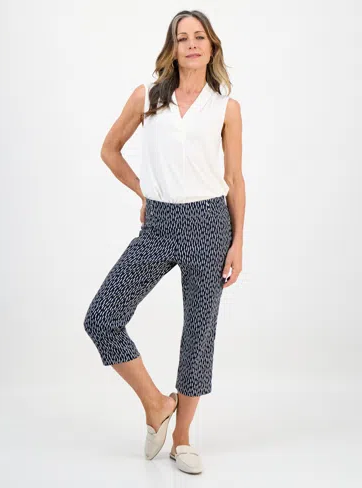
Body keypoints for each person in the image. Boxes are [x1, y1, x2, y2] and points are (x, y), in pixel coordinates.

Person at [83, 9, 244, 475]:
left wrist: (238, 243)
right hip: (159, 224)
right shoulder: (147, 97)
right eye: (182, 37)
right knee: (102, 317)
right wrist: (144, 192)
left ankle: (183, 439)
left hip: (210, 224)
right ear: (172, 48)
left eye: (199, 37)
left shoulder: (226, 107)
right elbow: (109, 150)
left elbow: (235, 178)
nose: (191, 44)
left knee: (198, 334)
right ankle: (156, 404)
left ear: (211, 47)